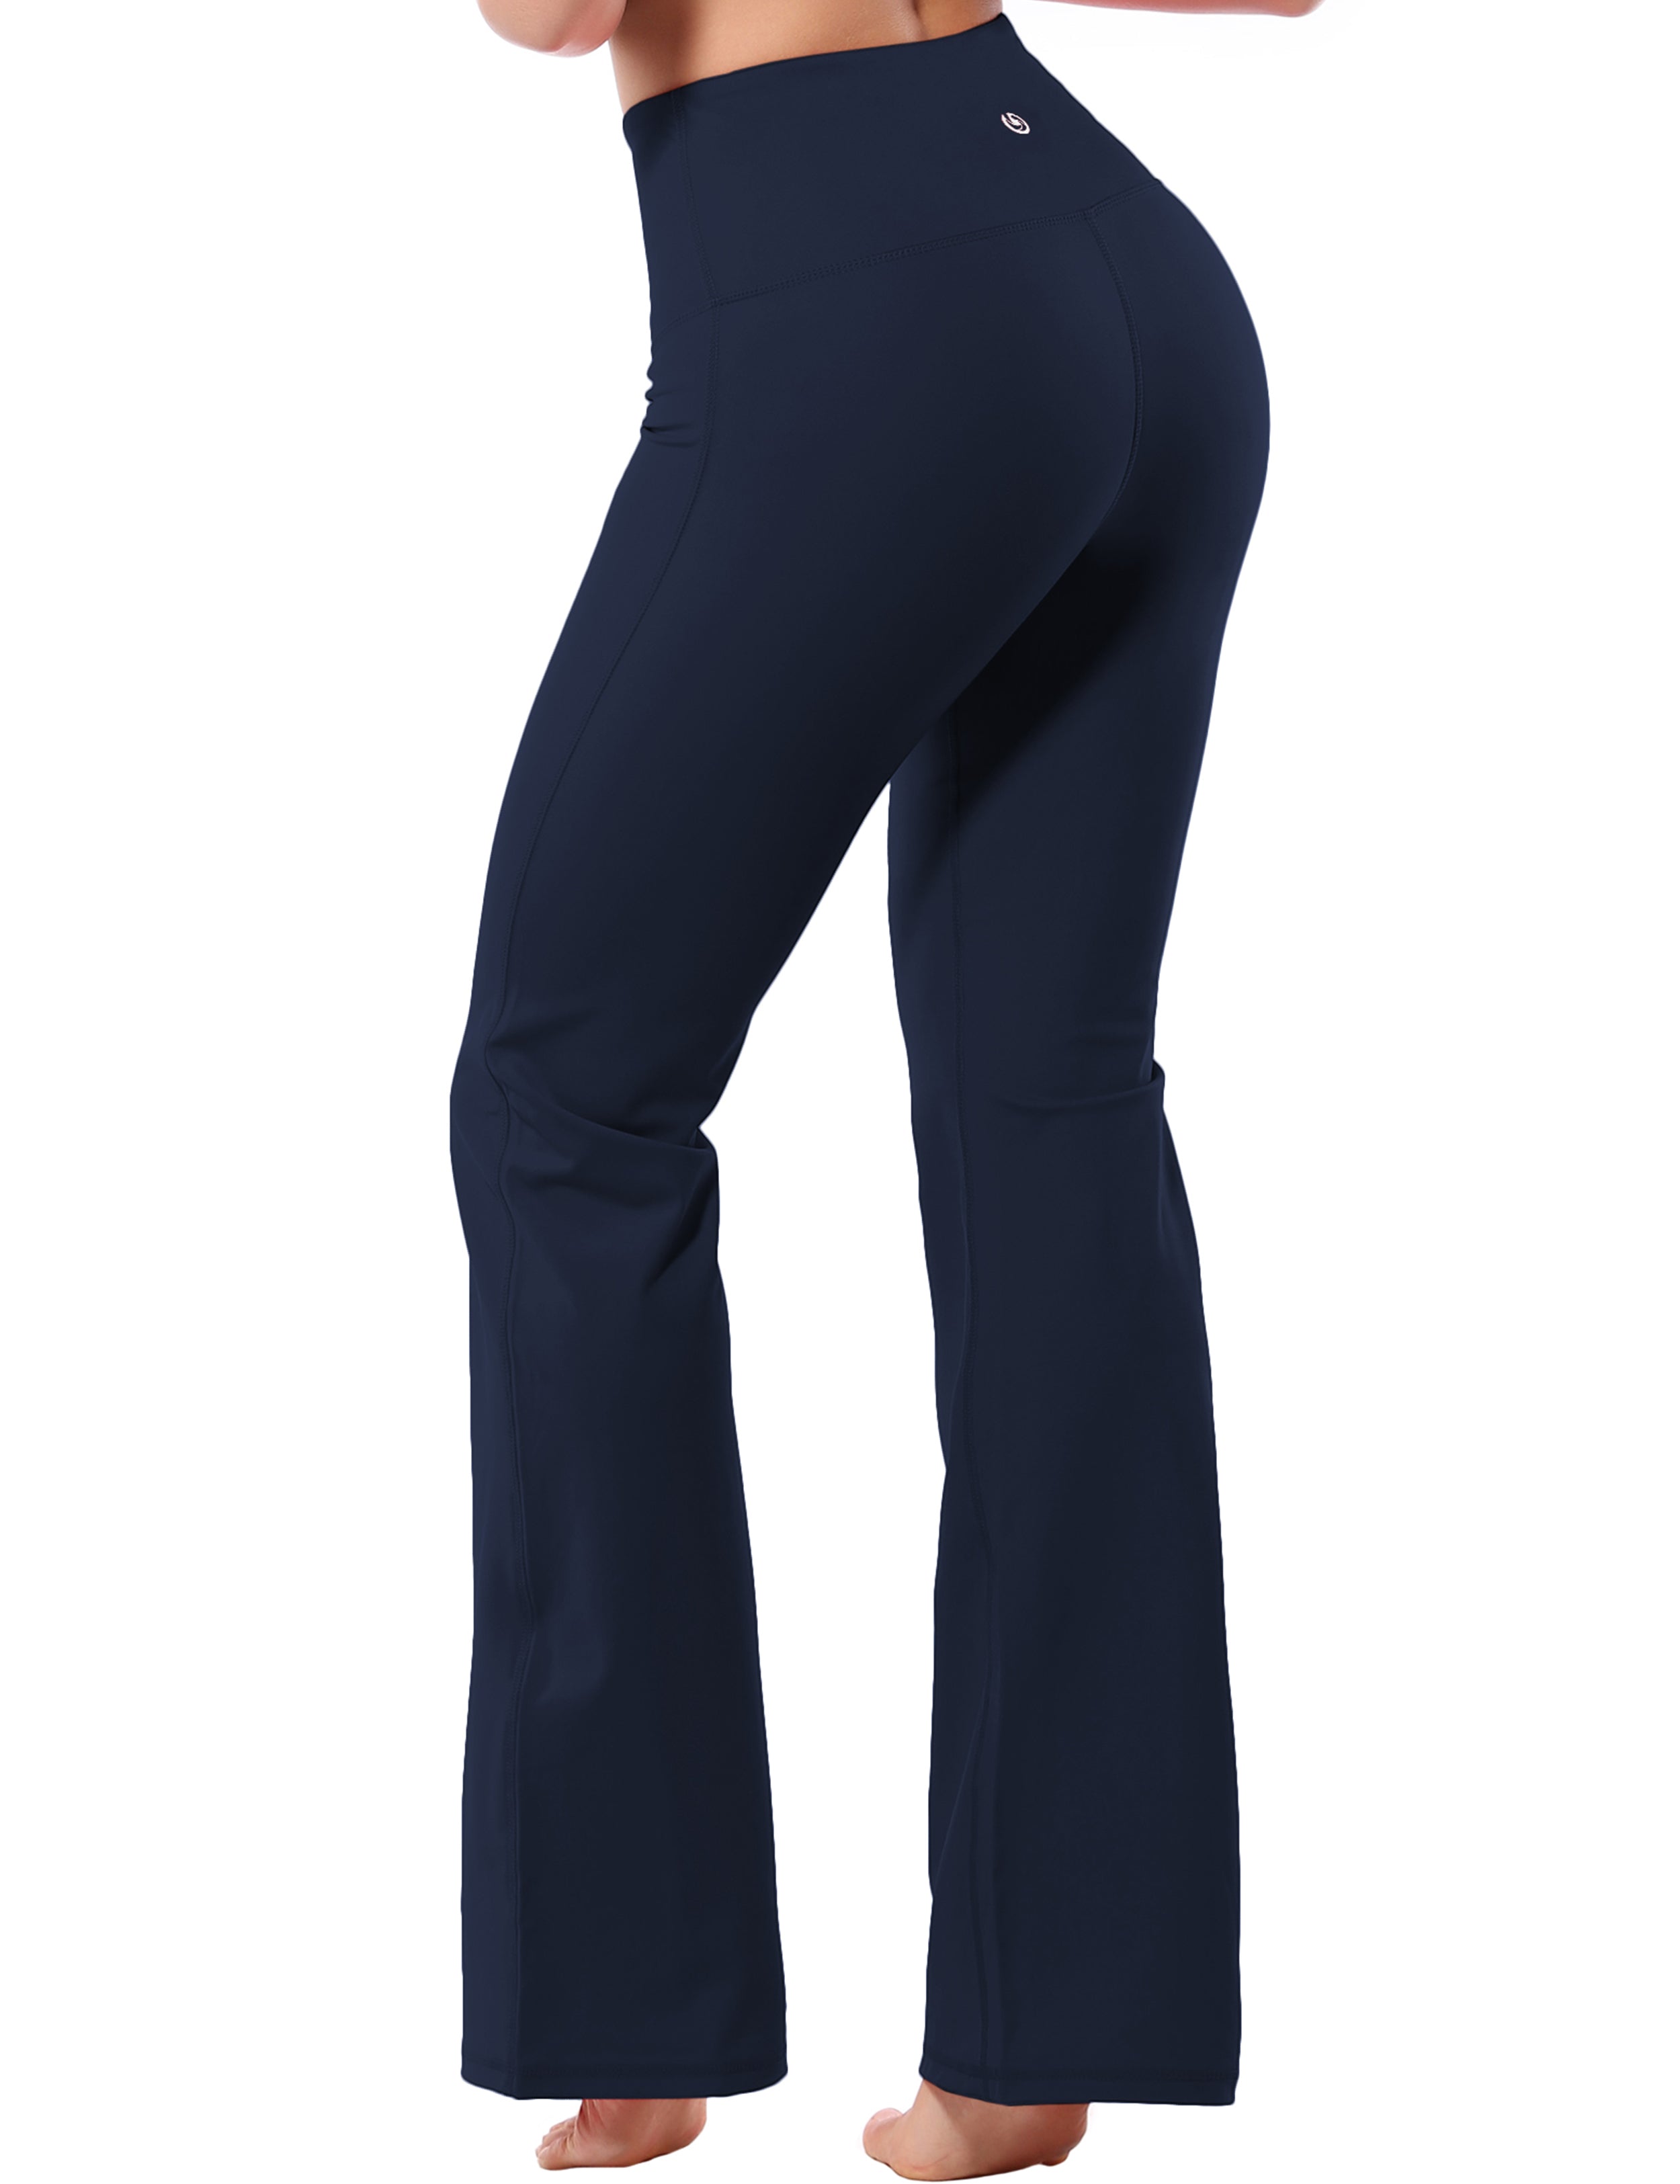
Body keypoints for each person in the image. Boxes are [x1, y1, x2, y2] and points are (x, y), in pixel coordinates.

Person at [451, 0, 1320, 2171]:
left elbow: (551, 12)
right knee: (1050, 1114)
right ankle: (1039, 2037)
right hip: (1133, 293)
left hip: (856, 305)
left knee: (566, 1104)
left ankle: (628, 2003)